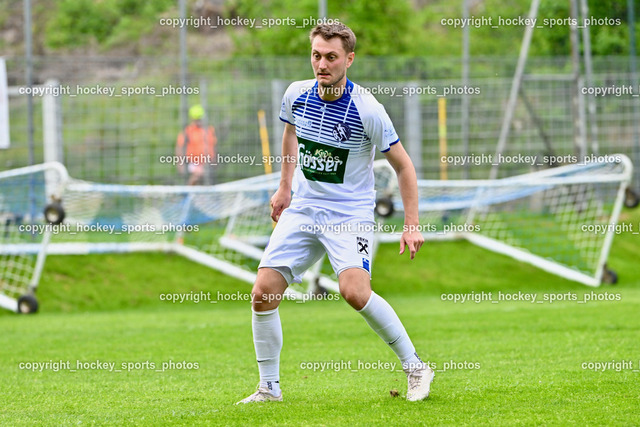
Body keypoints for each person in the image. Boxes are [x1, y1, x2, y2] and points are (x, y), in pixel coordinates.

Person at [236, 22, 434, 404]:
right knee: (262, 293)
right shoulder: (296, 94)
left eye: (331, 57)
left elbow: (404, 166)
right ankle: (269, 388)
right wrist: (284, 187)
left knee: (355, 292)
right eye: (316, 55)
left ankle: (415, 367)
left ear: (349, 59)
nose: (322, 64)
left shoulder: (368, 109)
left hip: (349, 214)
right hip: (304, 208)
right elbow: (290, 134)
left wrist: (411, 225)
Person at [175, 104, 217, 185]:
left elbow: (213, 147)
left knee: (204, 176)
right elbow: (179, 148)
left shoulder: (209, 130)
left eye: (200, 119)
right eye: (197, 119)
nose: (199, 121)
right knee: (198, 174)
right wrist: (180, 164)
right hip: (192, 163)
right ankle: (189, 189)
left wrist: (214, 161)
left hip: (207, 163)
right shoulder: (187, 132)